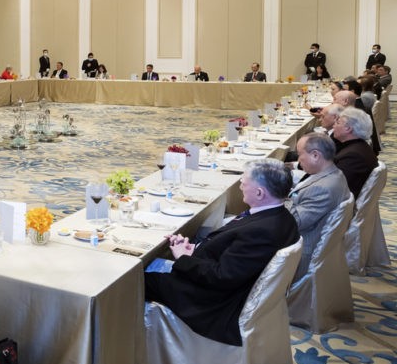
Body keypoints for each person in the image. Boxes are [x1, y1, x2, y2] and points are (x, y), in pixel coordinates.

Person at [144, 159, 299, 346]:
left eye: (244, 182)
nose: (240, 186)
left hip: (215, 304)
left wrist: (184, 258)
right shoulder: (282, 217)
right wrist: (195, 249)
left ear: (259, 193)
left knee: (135, 280)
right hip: (230, 286)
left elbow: (222, 277)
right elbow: (235, 259)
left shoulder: (261, 231)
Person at [288, 133, 351, 279]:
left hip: (300, 251)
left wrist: (277, 196)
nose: (298, 160)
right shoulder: (335, 173)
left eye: (300, 154)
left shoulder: (322, 189)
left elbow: (292, 222)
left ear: (315, 155)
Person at [332, 108, 378, 198]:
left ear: (348, 129)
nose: (334, 126)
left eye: (338, 123)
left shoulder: (353, 156)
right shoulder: (360, 147)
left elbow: (334, 185)